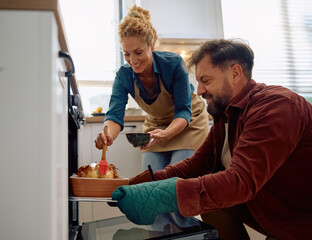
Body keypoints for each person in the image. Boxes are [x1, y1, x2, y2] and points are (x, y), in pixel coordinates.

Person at [111, 39, 312, 240]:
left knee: (216, 194)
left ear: (235, 73)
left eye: (206, 81)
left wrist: (160, 195)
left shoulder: (276, 106)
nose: (199, 91)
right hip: (272, 213)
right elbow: (198, 165)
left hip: (300, 223)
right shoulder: (227, 116)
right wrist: (135, 185)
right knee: (213, 205)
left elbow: (239, 181)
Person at [94, 5, 209, 171]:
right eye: (126, 54)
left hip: (188, 123)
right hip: (156, 126)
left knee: (175, 177)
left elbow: (184, 110)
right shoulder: (123, 75)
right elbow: (114, 115)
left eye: (138, 52)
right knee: (150, 179)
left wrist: (167, 134)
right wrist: (107, 136)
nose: (132, 60)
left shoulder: (174, 64)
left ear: (152, 45)